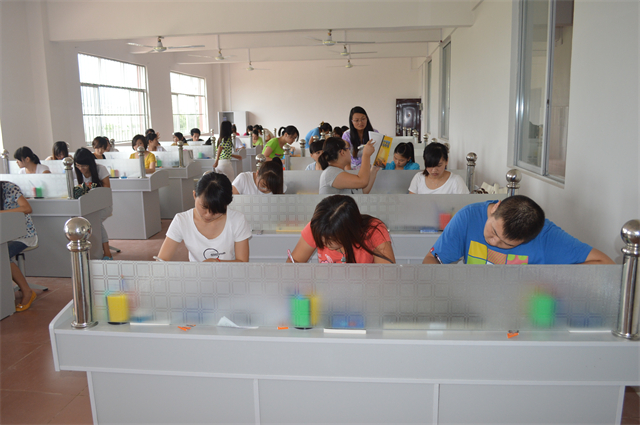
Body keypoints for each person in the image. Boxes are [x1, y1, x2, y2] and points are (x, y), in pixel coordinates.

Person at [423, 195, 615, 265]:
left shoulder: (545, 236)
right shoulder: (468, 218)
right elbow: (432, 259)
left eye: (506, 244)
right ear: (496, 207)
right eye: (494, 231)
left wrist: (554, 279)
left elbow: (604, 263)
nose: (493, 241)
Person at [157, 172, 251, 262]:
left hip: (228, 272)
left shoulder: (237, 220)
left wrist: (217, 262)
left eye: (216, 211)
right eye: (204, 207)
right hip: (195, 273)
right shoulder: (181, 220)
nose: (208, 215)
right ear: (194, 195)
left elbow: (242, 262)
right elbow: (162, 260)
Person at [287, 195, 395, 264]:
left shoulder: (374, 230)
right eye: (321, 235)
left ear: (348, 231)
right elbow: (294, 262)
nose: (323, 241)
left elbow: (386, 276)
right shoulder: (319, 226)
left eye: (330, 238)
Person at [0, 181, 38, 311]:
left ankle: (27, 291)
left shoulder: (9, 188)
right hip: (4, 236)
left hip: (24, 235)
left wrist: (1, 212)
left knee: (3, 255)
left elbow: (27, 208)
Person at [74, 148, 114, 260]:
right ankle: (97, 251)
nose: (81, 169)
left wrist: (91, 187)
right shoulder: (75, 171)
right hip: (86, 207)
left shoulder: (100, 169)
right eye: (78, 165)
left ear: (90, 163)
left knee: (94, 221)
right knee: (89, 220)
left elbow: (107, 189)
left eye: (84, 166)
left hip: (103, 205)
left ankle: (106, 252)